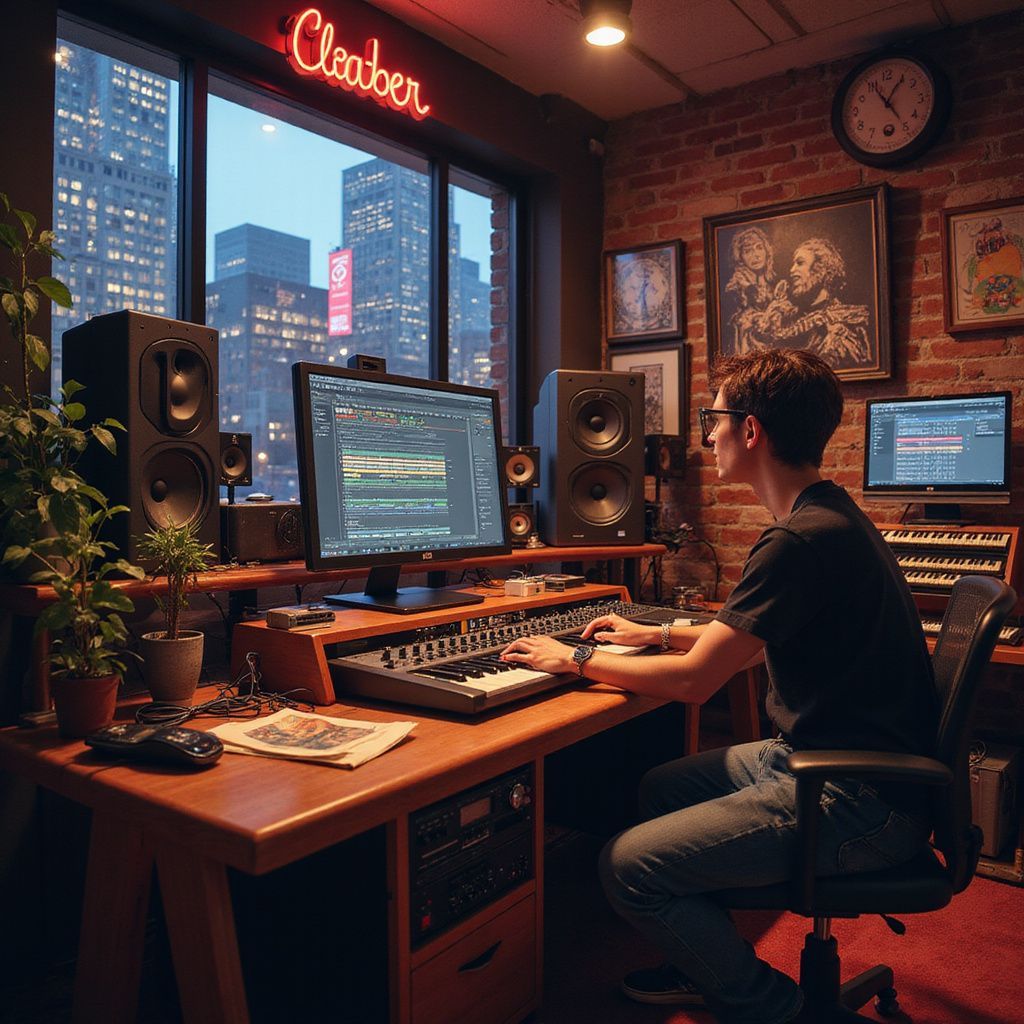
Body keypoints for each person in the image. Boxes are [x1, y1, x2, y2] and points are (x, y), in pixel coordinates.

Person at [500, 348, 937, 1024]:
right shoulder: (827, 516)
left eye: (715, 419)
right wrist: (655, 635)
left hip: (859, 802)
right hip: (839, 763)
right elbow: (743, 639)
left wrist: (575, 659)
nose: (708, 437)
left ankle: (785, 1010)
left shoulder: (797, 542)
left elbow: (695, 682)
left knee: (626, 867)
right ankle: (699, 960)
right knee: (660, 787)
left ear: (751, 430)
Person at [752, 237, 871, 369]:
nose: (792, 270)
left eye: (800, 263)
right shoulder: (791, 318)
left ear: (821, 270)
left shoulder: (842, 323)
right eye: (793, 263)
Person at [724, 227, 776, 354]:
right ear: (740, 257)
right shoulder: (737, 286)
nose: (756, 255)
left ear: (767, 251)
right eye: (748, 251)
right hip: (746, 349)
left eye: (759, 248)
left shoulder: (771, 284)